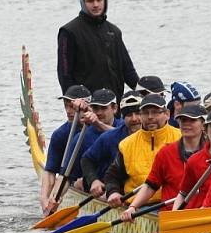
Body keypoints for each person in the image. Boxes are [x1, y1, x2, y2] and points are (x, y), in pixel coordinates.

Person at [121, 104, 206, 221]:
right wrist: (133, 207)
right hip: (171, 215)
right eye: (183, 120)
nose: (186, 124)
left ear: (203, 125)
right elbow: (151, 185)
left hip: (204, 214)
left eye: (192, 120)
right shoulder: (166, 152)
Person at [57, 0, 138, 100]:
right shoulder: (69, 32)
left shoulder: (114, 32)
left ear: (104, 1)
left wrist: (146, 94)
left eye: (99, 0)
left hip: (113, 104)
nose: (96, 5)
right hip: (85, 104)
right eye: (90, 1)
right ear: (83, 3)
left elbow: (128, 71)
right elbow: (64, 74)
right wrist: (72, 101)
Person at [103, 93, 181, 207]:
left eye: (155, 112)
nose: (150, 117)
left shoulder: (181, 138)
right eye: (145, 113)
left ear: (167, 114)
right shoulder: (127, 144)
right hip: (138, 207)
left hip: (173, 204)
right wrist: (113, 192)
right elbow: (112, 175)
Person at [39, 84, 90, 215]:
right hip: (70, 181)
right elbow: (50, 172)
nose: (68, 111)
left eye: (72, 106)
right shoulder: (60, 134)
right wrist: (45, 199)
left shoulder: (99, 129)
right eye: (66, 105)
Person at [80, 91, 142, 197]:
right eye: (129, 115)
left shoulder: (158, 136)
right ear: (122, 116)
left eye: (138, 113)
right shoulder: (109, 137)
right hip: (119, 193)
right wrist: (94, 181)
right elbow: (86, 160)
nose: (134, 119)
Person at [66, 88, 122, 188]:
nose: (99, 112)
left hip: (121, 187)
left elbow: (120, 135)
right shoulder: (81, 137)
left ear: (115, 108)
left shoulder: (125, 127)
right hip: (94, 188)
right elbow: (67, 176)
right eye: (96, 108)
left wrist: (98, 124)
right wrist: (74, 184)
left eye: (103, 108)